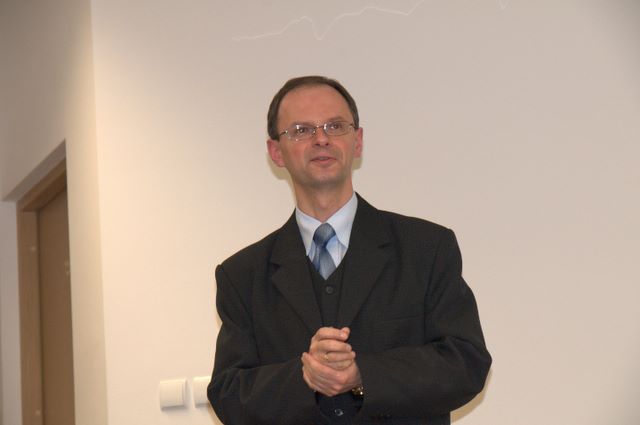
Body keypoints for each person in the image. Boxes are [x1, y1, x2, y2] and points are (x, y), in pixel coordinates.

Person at [207, 76, 491, 425]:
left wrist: (362, 374)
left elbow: (466, 363)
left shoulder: (427, 248)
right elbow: (229, 395)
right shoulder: (241, 276)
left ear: (357, 141)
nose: (321, 139)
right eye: (301, 130)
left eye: (335, 126)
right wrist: (305, 378)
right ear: (276, 152)